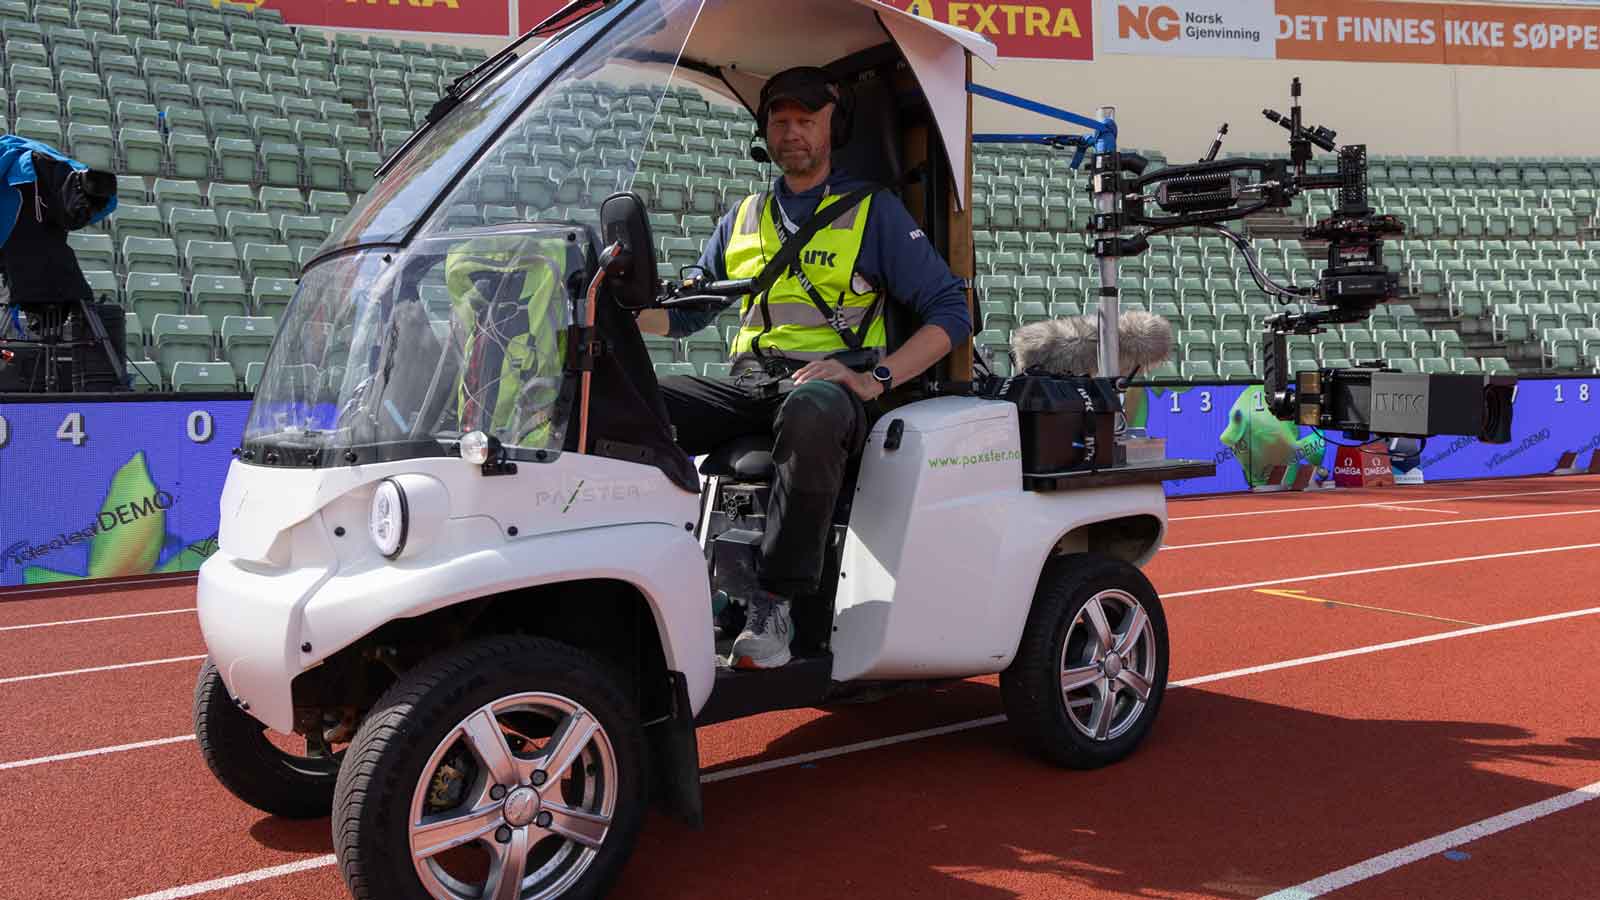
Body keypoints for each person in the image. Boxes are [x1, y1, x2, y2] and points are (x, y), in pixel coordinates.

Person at [635, 66, 972, 670]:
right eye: (781, 121)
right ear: (766, 129)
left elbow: (951, 311)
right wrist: (618, 314)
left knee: (812, 409)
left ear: (831, 129)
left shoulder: (873, 211)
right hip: (749, 382)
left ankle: (774, 603)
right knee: (634, 402)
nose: (792, 133)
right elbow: (686, 317)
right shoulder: (741, 217)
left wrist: (876, 378)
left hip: (832, 386)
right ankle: (649, 579)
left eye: (806, 121)